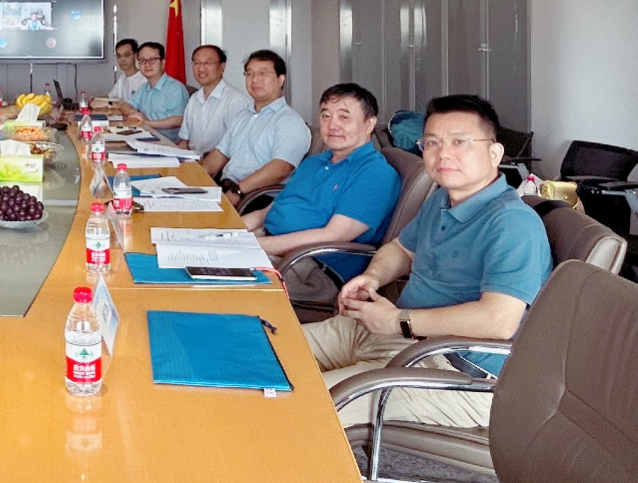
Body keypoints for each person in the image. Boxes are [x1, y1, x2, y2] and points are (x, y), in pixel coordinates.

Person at [304, 94, 552, 429]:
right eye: (432, 143)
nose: (443, 154)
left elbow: (499, 320)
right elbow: (401, 250)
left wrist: (400, 321)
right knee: (268, 352)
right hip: (401, 336)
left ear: (494, 153)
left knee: (304, 409)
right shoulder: (441, 200)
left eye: (460, 142)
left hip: (456, 371)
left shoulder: (513, 224)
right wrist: (373, 277)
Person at [242, 83, 400, 300]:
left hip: (310, 266)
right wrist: (227, 235)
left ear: (369, 123)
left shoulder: (375, 173)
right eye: (326, 116)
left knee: (213, 283)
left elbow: (333, 235)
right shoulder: (314, 163)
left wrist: (251, 246)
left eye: (343, 117)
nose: (332, 125)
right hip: (268, 246)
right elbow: (266, 212)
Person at [202, 49, 312, 198]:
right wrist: (192, 179)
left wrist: (237, 191)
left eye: (262, 73)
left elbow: (280, 169)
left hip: (256, 197)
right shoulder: (243, 115)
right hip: (226, 187)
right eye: (249, 74)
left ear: (281, 79)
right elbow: (219, 155)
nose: (254, 80)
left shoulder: (290, 121)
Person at [176, 45, 252, 156]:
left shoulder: (235, 101)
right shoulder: (194, 99)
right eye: (197, 63)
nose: (201, 69)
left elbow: (238, 148)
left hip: (219, 164)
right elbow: (184, 142)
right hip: (193, 159)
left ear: (222, 67)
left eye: (208, 63)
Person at [119, 41, 188, 141]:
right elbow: (125, 105)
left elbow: (178, 119)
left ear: (163, 63)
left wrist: (146, 123)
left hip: (167, 143)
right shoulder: (144, 87)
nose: (147, 64)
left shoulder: (175, 88)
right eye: (142, 60)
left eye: (152, 60)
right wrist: (134, 113)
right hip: (146, 137)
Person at [104, 38, 147, 104]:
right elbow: (109, 97)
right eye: (119, 56)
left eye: (127, 55)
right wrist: (94, 100)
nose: (122, 59)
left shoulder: (144, 80)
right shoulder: (122, 78)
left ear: (135, 56)